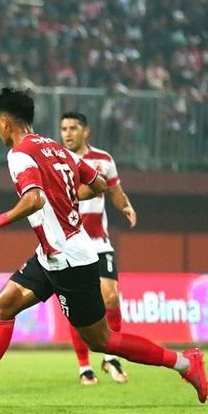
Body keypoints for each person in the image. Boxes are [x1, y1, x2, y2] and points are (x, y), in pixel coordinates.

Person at [0, 88, 208, 411]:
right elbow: (99, 184)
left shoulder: (20, 154)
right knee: (3, 305)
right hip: (51, 255)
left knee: (102, 340)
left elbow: (34, 199)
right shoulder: (58, 149)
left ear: (5, 122)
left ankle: (186, 364)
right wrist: (66, 196)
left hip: (69, 260)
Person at [60, 111, 136, 385]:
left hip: (98, 243)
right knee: (78, 306)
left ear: (86, 131)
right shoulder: (57, 160)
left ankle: (110, 356)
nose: (67, 133)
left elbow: (115, 190)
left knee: (112, 297)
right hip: (68, 245)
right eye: (64, 128)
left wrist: (125, 205)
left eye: (73, 128)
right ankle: (84, 367)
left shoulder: (104, 160)